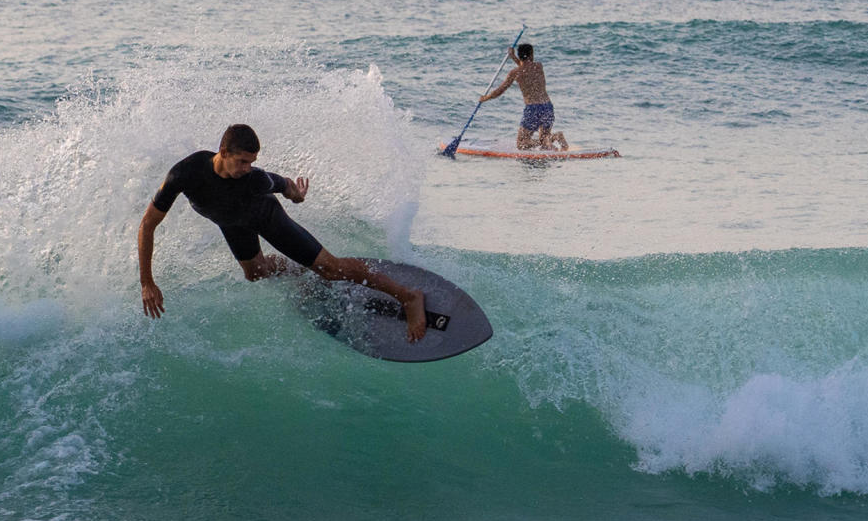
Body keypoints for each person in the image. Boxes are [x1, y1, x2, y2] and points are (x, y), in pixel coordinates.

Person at [138, 124, 426, 342]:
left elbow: (282, 183)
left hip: (266, 217)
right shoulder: (185, 174)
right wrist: (147, 282)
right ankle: (301, 272)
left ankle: (407, 296)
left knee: (331, 268)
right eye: (242, 161)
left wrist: (296, 195)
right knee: (255, 273)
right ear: (223, 153)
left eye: (252, 161)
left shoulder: (254, 180)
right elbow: (147, 225)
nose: (248, 167)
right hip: (232, 224)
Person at [478, 43, 569, 151]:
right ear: (531, 54)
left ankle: (549, 141)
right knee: (544, 141)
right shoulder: (539, 66)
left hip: (533, 108)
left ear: (520, 55)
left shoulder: (515, 73)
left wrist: (486, 98)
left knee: (521, 144)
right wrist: (513, 58)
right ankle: (556, 137)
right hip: (547, 106)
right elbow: (527, 68)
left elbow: (500, 90)